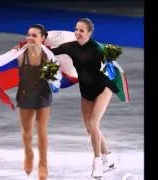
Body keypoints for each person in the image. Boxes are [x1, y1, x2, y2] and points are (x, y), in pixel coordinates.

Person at [0, 24, 54, 180]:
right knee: (27, 130)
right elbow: (2, 60)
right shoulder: (19, 55)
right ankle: (28, 154)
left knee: (41, 129)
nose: (30, 38)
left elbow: (55, 77)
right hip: (25, 94)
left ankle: (43, 165)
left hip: (43, 94)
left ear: (42, 38)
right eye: (28, 35)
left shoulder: (49, 56)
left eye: (34, 35)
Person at [47, 18, 119, 178]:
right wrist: (31, 47)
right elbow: (49, 52)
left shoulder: (97, 49)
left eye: (81, 30)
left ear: (89, 33)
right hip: (86, 91)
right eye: (76, 29)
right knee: (90, 128)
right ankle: (109, 156)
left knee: (93, 123)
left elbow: (112, 67)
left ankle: (97, 162)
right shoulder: (70, 47)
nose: (77, 33)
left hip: (103, 88)